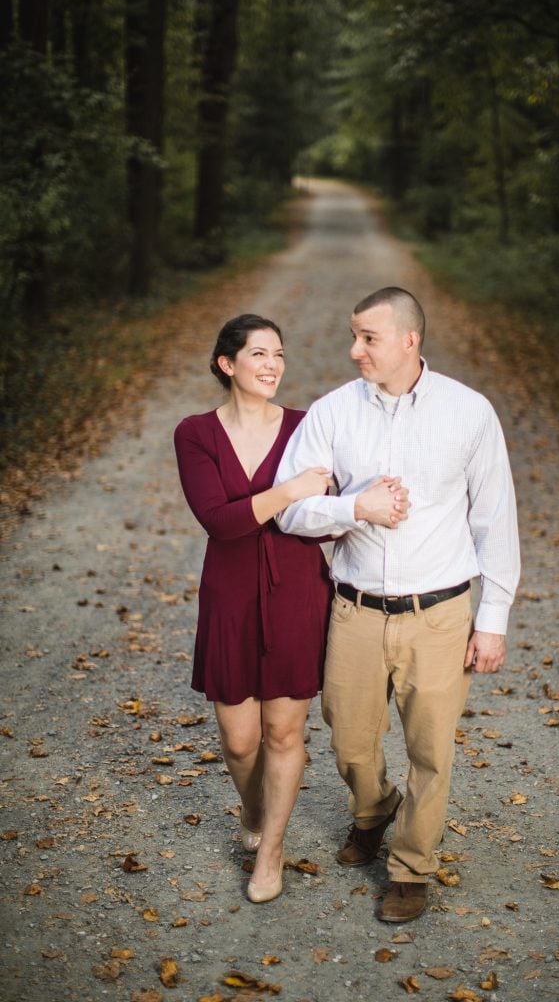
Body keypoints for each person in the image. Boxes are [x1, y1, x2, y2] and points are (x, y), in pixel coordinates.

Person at [275, 287, 520, 923]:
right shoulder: (331, 414)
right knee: (350, 740)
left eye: (369, 338)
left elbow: (496, 521)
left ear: (409, 340)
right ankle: (373, 809)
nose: (354, 350)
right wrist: (353, 505)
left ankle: (412, 867)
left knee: (432, 750)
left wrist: (490, 622)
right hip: (355, 608)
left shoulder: (469, 413)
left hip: (441, 613)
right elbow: (290, 509)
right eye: (354, 336)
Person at [174, 314, 333, 904]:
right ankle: (254, 806)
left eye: (279, 355)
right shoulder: (194, 433)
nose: (272, 366)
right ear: (227, 364)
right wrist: (289, 491)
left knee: (284, 732)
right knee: (241, 742)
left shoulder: (306, 427)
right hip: (231, 594)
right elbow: (220, 520)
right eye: (259, 354)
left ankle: (271, 850)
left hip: (296, 589)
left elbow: (327, 514)